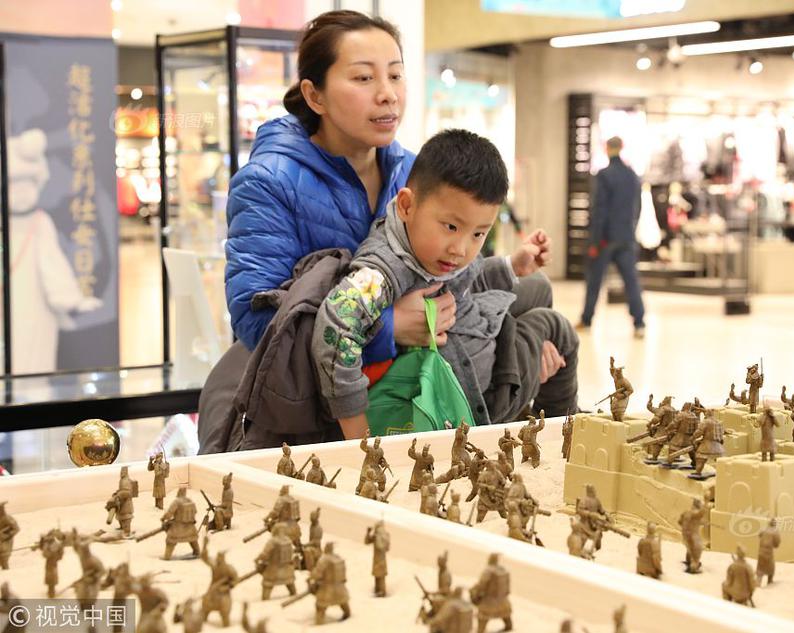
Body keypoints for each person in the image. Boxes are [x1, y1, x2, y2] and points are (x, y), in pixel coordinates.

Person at [205, 10, 557, 452]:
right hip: (331, 370)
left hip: (424, 334)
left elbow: (455, 269)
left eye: (395, 76)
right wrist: (389, 327)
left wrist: (510, 267)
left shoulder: (410, 169)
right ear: (315, 96)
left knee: (537, 292)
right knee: (543, 329)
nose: (387, 95)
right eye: (364, 78)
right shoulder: (268, 181)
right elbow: (257, 320)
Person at [313, 129, 578, 438]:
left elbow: (467, 277)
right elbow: (334, 325)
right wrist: (358, 434)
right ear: (407, 206)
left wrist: (513, 265)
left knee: (539, 285)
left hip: (476, 333)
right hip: (473, 397)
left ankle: (532, 381)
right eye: (451, 226)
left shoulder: (426, 246)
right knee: (556, 328)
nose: (460, 248)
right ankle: (558, 439)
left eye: (478, 233)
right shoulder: (383, 271)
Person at [576, 136, 646, 338]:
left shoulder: (604, 175)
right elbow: (637, 208)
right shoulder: (632, 176)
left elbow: (600, 210)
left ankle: (587, 319)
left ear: (607, 148)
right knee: (631, 282)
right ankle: (639, 322)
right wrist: (630, 231)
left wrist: (595, 241)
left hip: (605, 239)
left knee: (595, 281)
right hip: (626, 237)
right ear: (622, 148)